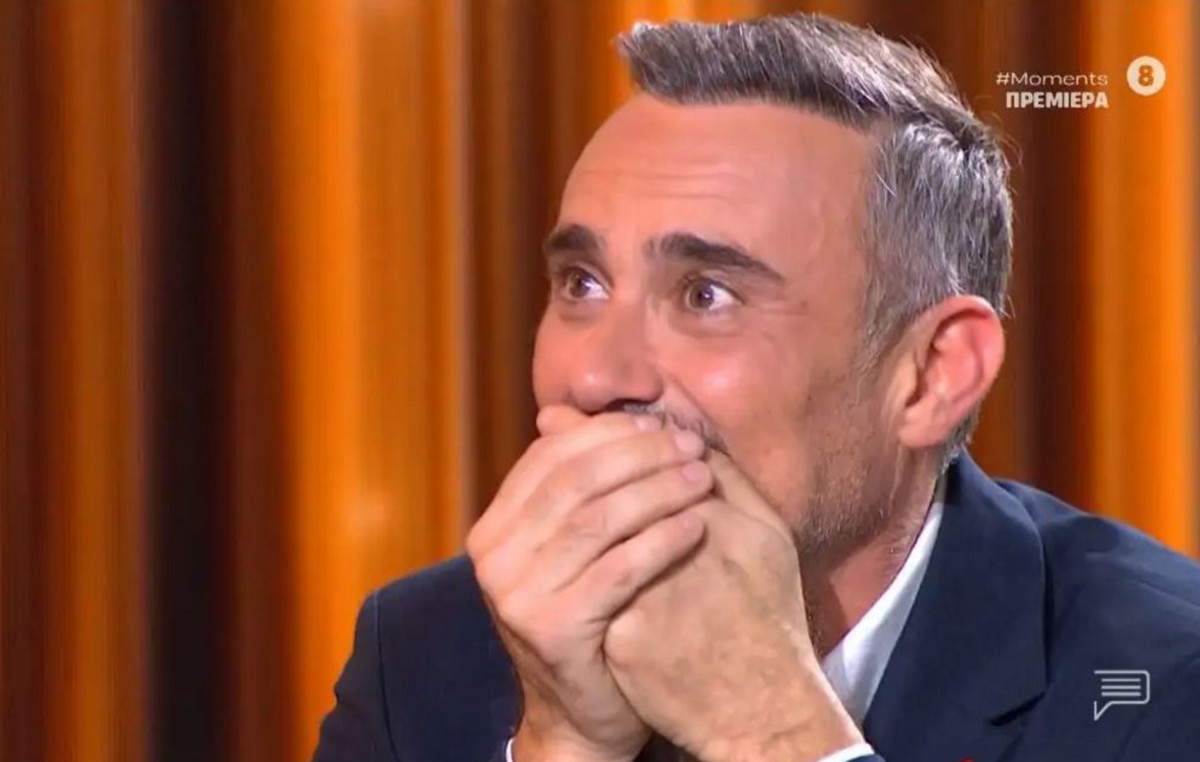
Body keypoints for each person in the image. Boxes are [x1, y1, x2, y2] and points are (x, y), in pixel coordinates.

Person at [312, 13, 1200, 762]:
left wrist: (774, 734)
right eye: (582, 283)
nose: (594, 376)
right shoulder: (422, 655)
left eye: (707, 295)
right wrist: (566, 743)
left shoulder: (1163, 682)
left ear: (933, 375)